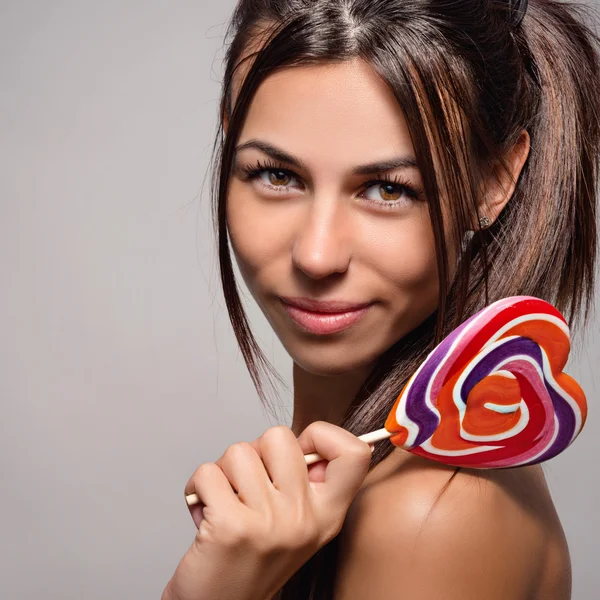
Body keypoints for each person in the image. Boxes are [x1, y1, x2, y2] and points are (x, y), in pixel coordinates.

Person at [162, 0, 600, 598]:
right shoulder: (387, 484)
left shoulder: (429, 517)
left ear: (494, 180)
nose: (316, 256)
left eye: (388, 189)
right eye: (277, 175)